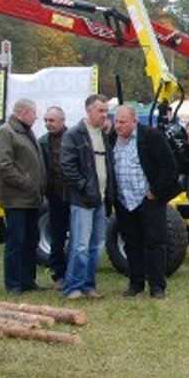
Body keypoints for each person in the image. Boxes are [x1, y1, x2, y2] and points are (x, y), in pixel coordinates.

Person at [111, 105, 178, 299]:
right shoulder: (111, 140)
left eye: (123, 122)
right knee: (132, 244)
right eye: (116, 121)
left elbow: (169, 167)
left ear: (134, 121)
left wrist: (155, 192)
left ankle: (157, 286)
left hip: (148, 200)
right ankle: (135, 284)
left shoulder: (151, 137)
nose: (118, 125)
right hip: (124, 201)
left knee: (155, 243)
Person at [0, 98, 46, 296]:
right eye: (34, 113)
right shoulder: (6, 132)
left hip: (31, 198)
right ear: (23, 113)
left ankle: (28, 280)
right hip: (16, 199)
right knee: (16, 241)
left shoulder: (25, 131)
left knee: (31, 239)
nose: (37, 116)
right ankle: (13, 283)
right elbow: (2, 165)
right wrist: (26, 183)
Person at [59, 94, 113, 300]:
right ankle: (73, 286)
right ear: (89, 111)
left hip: (100, 198)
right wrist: (84, 188)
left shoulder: (102, 135)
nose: (104, 115)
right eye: (100, 111)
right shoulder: (74, 134)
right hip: (82, 200)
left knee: (96, 245)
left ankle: (89, 285)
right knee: (79, 245)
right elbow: (67, 167)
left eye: (106, 111)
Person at [39, 106, 70, 289]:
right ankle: (59, 274)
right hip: (55, 196)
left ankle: (74, 272)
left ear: (62, 121)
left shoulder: (73, 138)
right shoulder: (43, 142)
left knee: (76, 237)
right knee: (57, 236)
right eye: (46, 121)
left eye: (51, 120)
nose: (48, 124)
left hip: (73, 196)